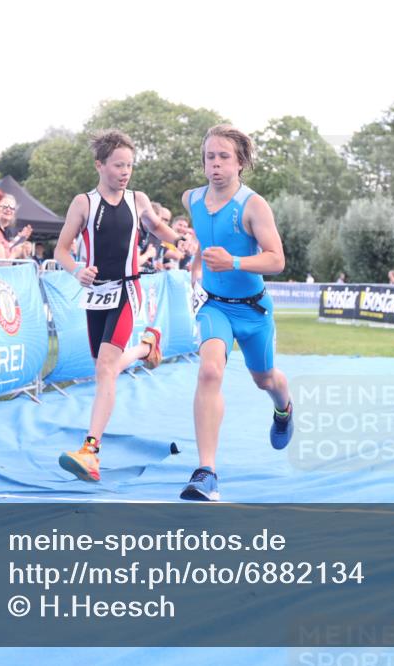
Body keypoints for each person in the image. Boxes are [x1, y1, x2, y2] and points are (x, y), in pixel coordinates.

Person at [53, 129, 184, 483]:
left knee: (106, 369)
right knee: (103, 369)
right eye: (118, 165)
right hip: (96, 294)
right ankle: (145, 347)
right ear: (100, 165)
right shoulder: (83, 203)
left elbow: (157, 227)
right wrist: (78, 269)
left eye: (130, 165)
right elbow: (61, 251)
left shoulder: (138, 199)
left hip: (127, 290)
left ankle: (90, 452)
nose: (125, 172)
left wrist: (180, 241)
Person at [178, 124, 293, 502]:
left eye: (224, 157)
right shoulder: (191, 199)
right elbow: (206, 241)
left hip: (253, 311)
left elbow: (276, 260)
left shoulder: (253, 205)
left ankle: (284, 406)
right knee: (210, 370)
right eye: (210, 156)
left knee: (266, 380)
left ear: (240, 162)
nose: (215, 164)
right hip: (215, 307)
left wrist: (235, 261)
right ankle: (206, 472)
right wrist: (199, 266)